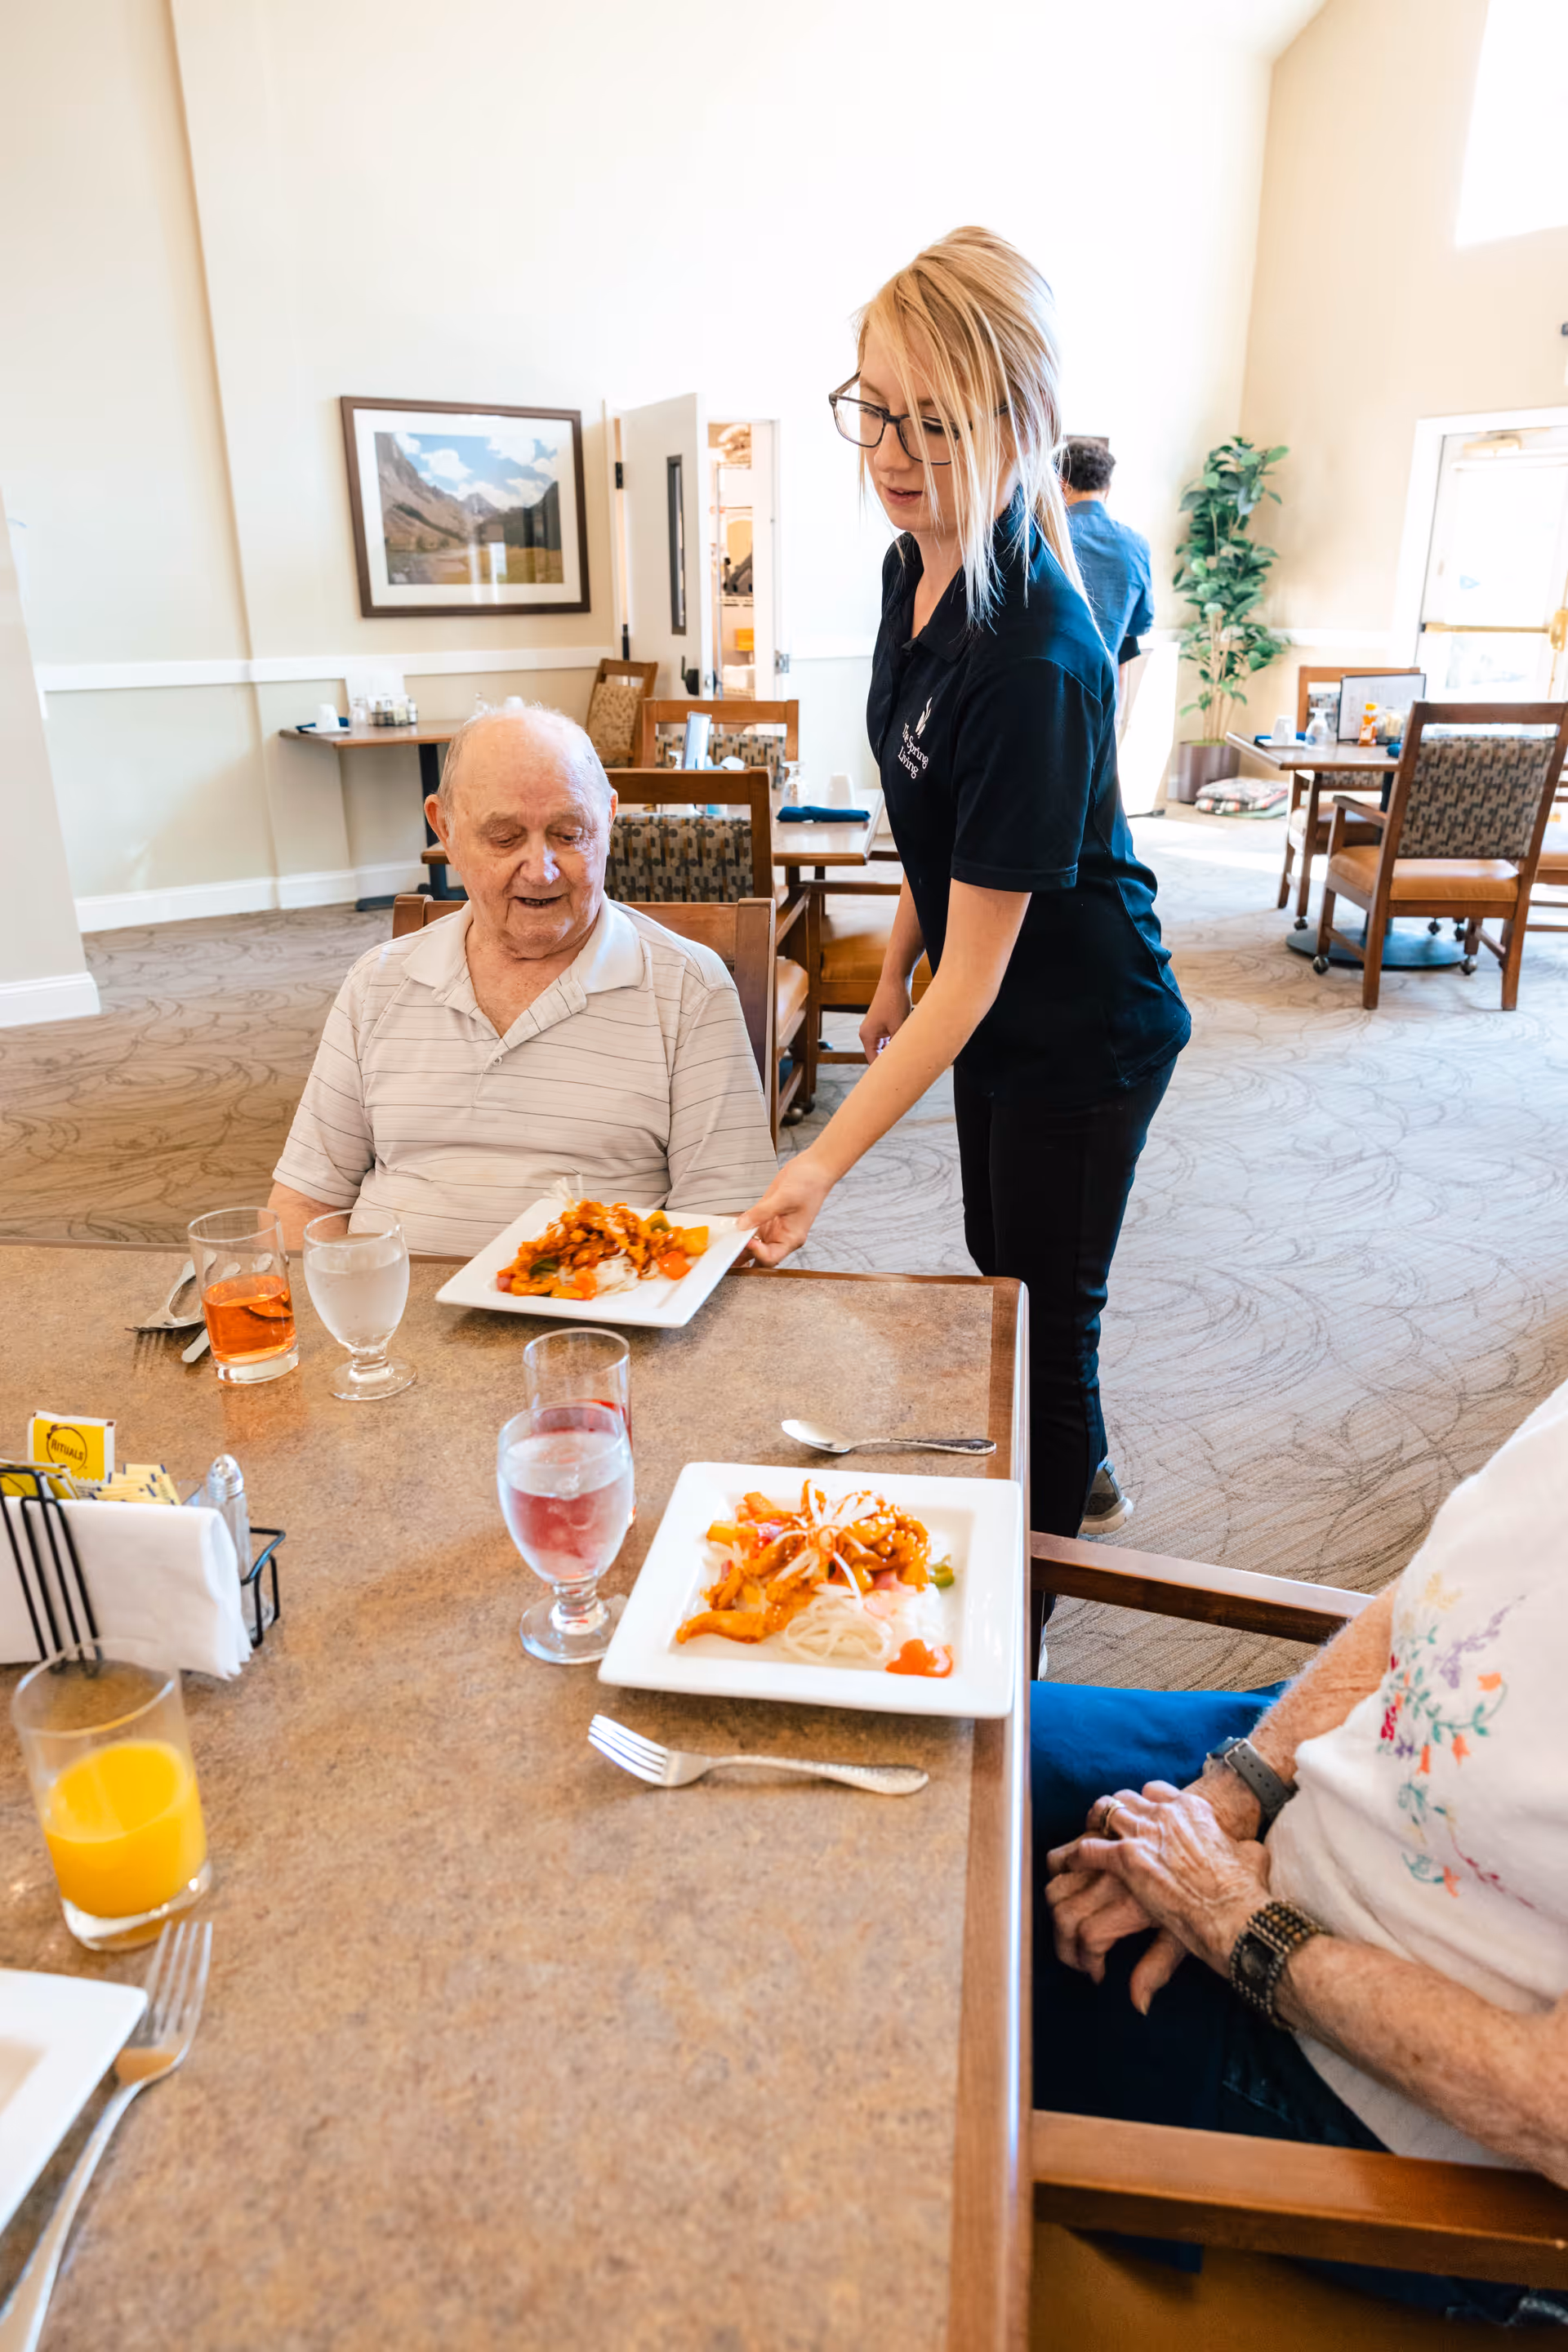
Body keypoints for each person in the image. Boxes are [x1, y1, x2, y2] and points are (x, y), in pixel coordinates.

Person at [741, 227, 1190, 1542]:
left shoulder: (1040, 651)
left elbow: (984, 980)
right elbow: (931, 812)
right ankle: (1087, 1473)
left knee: (1042, 1323)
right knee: (1004, 1272)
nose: (888, 456)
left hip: (1086, 1025)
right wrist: (891, 962)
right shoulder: (913, 563)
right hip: (992, 1003)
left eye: (930, 426)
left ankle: (1032, 1618)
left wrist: (817, 1165)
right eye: (873, 412)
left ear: (1021, 423)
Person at [1036, 1375, 1568, 2325]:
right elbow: (1433, 1591)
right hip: (1315, 1786)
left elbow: (1552, 2107)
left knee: (908, 1951)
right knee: (968, 1746)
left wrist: (1234, 1920)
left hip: (1369, 2081)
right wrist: (1240, 1794)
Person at [269, 706, 777, 1256]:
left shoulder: (688, 991)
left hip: (598, 1326)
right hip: (393, 1326)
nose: (540, 870)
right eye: (505, 838)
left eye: (568, 833)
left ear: (608, 820)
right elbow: (305, 1204)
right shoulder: (377, 983)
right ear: (446, 829)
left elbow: (727, 1225)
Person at [1059, 438, 1154, 721]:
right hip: (1103, 690)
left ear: (1061, 483)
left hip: (1046, 684)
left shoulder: (1042, 536)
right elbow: (1142, 622)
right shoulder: (1135, 544)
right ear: (1107, 490)